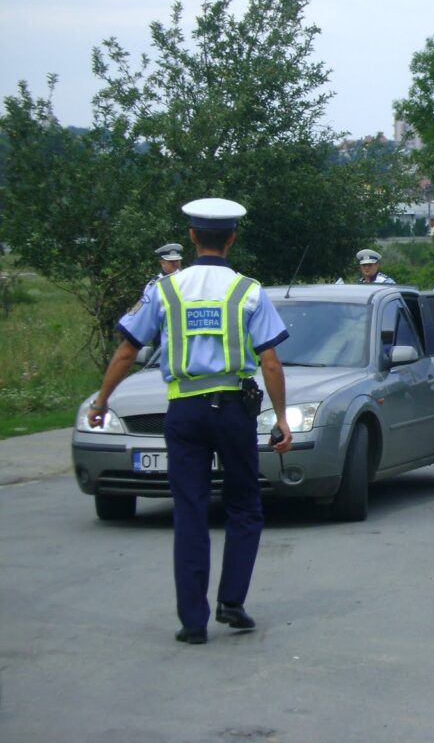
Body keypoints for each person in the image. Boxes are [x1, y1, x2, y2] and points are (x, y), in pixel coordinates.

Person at [87, 197, 293, 645]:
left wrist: (102, 399)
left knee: (191, 510)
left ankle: (193, 622)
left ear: (193, 238)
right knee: (243, 506)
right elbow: (271, 362)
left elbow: (127, 349)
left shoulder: (164, 291)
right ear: (233, 238)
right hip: (234, 409)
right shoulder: (248, 290)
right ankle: (232, 603)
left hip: (184, 410)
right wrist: (280, 418)